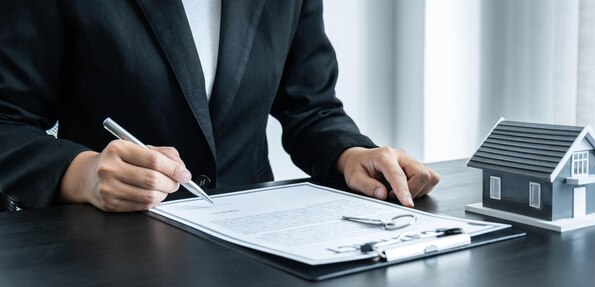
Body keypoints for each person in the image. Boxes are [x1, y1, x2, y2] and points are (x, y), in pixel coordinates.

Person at [0, 0, 439, 212]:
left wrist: (352, 155)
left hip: (254, 257)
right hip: (107, 261)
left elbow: (311, 108)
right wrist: (85, 175)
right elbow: (7, 122)